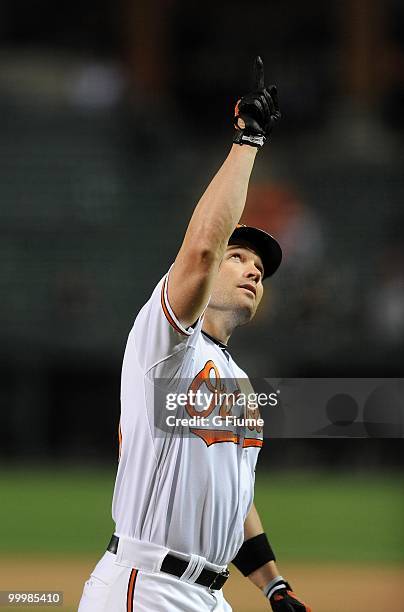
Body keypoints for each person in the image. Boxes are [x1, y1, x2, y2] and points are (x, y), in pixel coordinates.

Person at [78, 57, 311, 612]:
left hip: (209, 596)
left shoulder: (238, 384)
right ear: (205, 278)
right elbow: (203, 245)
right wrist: (247, 141)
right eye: (239, 257)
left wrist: (274, 584)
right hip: (145, 587)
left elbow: (235, 497)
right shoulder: (166, 346)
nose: (254, 269)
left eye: (261, 266)